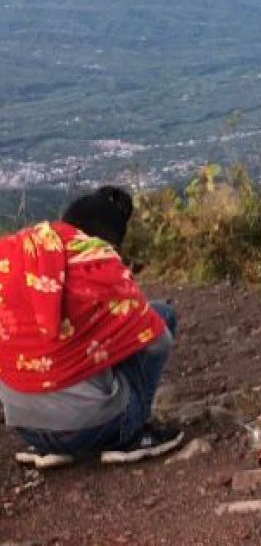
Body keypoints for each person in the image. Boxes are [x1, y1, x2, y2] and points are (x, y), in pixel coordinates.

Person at [0, 186, 183, 468]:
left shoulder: (12, 256)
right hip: (93, 428)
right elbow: (160, 342)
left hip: (28, 429)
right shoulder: (98, 262)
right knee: (162, 315)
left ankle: (51, 446)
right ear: (108, 239)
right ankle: (131, 436)